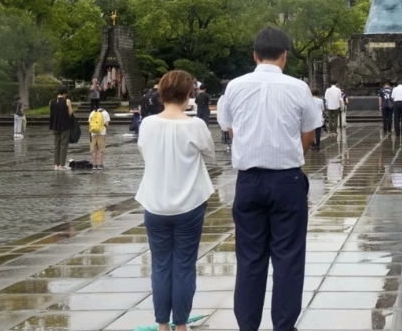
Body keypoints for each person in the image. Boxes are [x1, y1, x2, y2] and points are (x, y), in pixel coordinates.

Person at [217, 27, 320, 331]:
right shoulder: (298, 88)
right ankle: (284, 326)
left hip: (248, 181)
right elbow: (309, 135)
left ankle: (247, 326)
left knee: (250, 258)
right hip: (287, 180)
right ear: (285, 56)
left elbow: (230, 127)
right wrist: (287, 154)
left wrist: (251, 145)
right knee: (288, 258)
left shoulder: (234, 86)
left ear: (255, 55)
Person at [136, 70, 215, 331]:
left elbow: (144, 152)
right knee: (183, 264)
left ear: (161, 93)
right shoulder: (196, 126)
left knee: (160, 265)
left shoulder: (147, 124)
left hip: (155, 203)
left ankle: (162, 324)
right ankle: (180, 324)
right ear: (188, 94)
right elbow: (210, 154)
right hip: (189, 204)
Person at [49, 86, 74, 170]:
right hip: (64, 125)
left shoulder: (51, 102)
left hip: (55, 126)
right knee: (64, 145)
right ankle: (62, 165)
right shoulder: (67, 101)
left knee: (56, 145)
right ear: (64, 93)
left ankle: (56, 165)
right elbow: (70, 112)